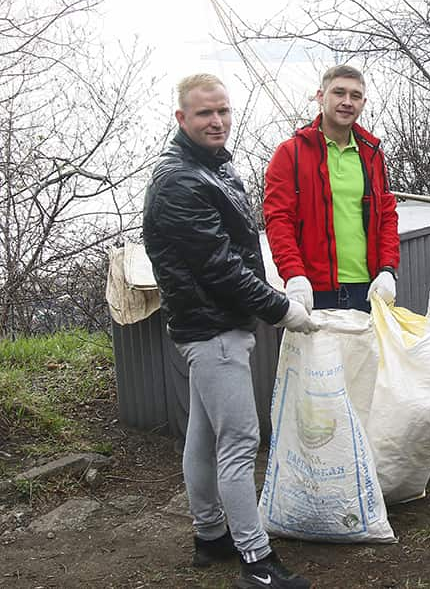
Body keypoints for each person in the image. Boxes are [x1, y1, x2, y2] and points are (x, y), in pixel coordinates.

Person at [142, 74, 316, 588]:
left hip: (209, 327)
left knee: (203, 436)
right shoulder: (181, 181)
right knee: (240, 442)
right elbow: (220, 267)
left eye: (222, 111)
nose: (216, 121)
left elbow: (233, 252)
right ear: (181, 119)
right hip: (213, 331)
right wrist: (282, 309)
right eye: (203, 114)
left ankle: (211, 536)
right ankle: (256, 562)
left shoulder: (210, 166)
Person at [263, 65, 400, 314]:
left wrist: (388, 270)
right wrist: (293, 274)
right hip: (312, 290)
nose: (347, 102)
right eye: (339, 93)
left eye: (355, 96)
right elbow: (279, 220)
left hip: (368, 291)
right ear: (320, 96)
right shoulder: (290, 154)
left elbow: (387, 217)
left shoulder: (372, 154)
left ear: (363, 102)